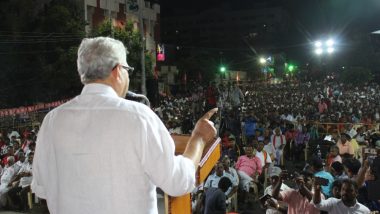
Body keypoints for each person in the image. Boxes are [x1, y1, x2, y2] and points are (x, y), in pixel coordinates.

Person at [31, 37, 218, 214]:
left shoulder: (53, 120)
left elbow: (43, 189)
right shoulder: (138, 117)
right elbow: (178, 182)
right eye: (127, 69)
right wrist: (199, 139)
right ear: (117, 70)